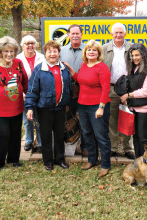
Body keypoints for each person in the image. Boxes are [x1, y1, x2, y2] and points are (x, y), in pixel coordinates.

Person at [66, 40, 111, 177]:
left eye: (94, 50)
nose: (91, 52)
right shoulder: (84, 65)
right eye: (89, 50)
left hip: (97, 106)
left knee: (101, 135)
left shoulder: (102, 67)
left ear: (99, 53)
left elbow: (105, 89)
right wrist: (69, 68)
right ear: (85, 52)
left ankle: (105, 164)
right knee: (87, 133)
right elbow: (80, 80)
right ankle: (92, 159)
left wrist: (101, 107)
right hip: (83, 105)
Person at [25, 40, 71, 171]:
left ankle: (60, 159)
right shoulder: (39, 69)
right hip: (44, 108)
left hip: (60, 108)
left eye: (55, 51)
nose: (52, 54)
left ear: (58, 53)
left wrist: (66, 102)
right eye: (49, 51)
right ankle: (48, 161)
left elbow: (67, 87)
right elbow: (32, 90)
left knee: (59, 135)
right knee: (45, 135)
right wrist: (29, 107)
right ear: (45, 53)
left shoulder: (64, 68)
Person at [120, 43, 147, 158]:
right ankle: (138, 161)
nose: (135, 57)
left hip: (145, 110)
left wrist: (128, 95)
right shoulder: (132, 68)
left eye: (138, 55)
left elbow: (146, 90)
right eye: (133, 55)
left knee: (143, 137)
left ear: (143, 55)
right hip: (134, 108)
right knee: (135, 136)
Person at [103, 22, 135, 159]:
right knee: (112, 119)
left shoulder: (132, 47)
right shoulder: (104, 48)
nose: (118, 35)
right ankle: (113, 147)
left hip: (129, 89)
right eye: (116, 32)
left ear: (125, 34)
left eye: (121, 32)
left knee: (128, 118)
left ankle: (129, 148)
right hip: (111, 88)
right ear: (111, 34)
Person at [0, 36, 28, 172]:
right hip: (0, 108)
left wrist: (30, 97)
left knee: (16, 133)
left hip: (17, 106)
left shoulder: (18, 63)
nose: (9, 54)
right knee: (2, 134)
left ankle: (14, 159)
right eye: (6, 51)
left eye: (12, 51)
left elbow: (25, 81)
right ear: (0, 52)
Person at [60, 24, 87, 156]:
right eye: (72, 33)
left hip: (85, 90)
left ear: (82, 35)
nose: (75, 36)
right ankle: (68, 146)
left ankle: (85, 146)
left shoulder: (88, 49)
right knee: (68, 119)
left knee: (85, 119)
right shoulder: (62, 51)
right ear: (68, 35)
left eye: (78, 33)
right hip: (67, 91)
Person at [17, 35, 45, 152]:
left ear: (35, 45)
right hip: (25, 94)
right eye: (27, 43)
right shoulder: (18, 59)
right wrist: (22, 94)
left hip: (40, 94)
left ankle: (40, 142)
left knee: (39, 120)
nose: (30, 46)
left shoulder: (42, 57)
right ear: (23, 46)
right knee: (27, 120)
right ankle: (28, 140)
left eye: (32, 43)